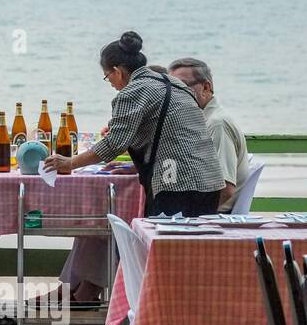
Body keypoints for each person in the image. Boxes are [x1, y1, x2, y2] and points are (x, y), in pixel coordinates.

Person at [45, 31, 223, 217]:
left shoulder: (131, 92)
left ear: (118, 72)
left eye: (108, 76)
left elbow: (113, 144)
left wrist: (70, 163)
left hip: (177, 184)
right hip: (210, 181)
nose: (110, 83)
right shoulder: (174, 83)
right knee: (193, 243)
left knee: (165, 242)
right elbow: (172, 136)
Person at [168, 57, 251, 211]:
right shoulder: (199, 120)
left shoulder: (217, 124)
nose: (174, 94)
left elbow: (225, 188)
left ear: (206, 88)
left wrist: (189, 213)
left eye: (182, 86)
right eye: (171, 87)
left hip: (212, 218)